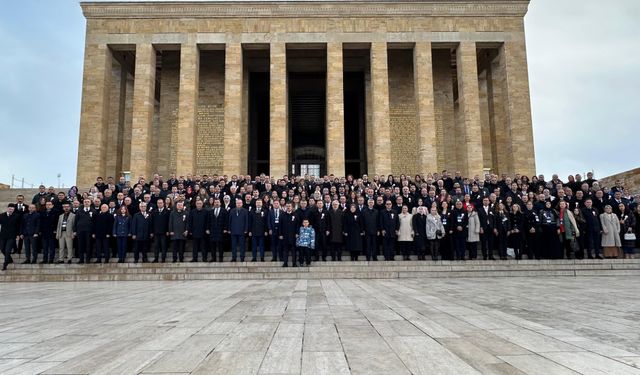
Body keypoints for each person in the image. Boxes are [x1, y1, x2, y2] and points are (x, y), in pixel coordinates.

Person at [206, 198, 227, 262]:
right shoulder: (210, 211)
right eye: (215, 202)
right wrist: (207, 229)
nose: (217, 203)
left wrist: (225, 228)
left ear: (220, 203)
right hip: (212, 231)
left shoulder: (224, 211)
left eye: (218, 202)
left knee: (220, 245)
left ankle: (221, 258)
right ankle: (213, 258)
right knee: (213, 246)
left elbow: (226, 220)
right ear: (213, 203)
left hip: (221, 230)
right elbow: (208, 221)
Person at [74, 198, 95, 264]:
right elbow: (76, 221)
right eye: (85, 202)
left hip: (89, 231)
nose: (86, 203)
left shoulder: (93, 211)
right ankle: (81, 259)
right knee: (80, 245)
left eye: (88, 202)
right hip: (80, 231)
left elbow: (95, 222)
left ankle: (88, 259)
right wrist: (75, 230)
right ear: (83, 203)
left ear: (90, 203)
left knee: (88, 245)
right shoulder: (79, 211)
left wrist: (94, 232)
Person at [1, 205, 21, 271]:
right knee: (2, 249)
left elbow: (18, 226)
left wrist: (18, 235)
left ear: (14, 209)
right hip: (3, 236)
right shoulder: (1, 215)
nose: (11, 210)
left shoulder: (17, 216)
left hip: (12, 236)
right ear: (7, 208)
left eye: (12, 209)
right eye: (10, 209)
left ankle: (5, 264)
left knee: (7, 250)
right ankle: (10, 259)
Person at [151, 198, 170, 263]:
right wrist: (152, 231)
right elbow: (152, 222)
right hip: (156, 232)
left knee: (163, 246)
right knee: (156, 246)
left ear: (163, 203)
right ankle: (156, 258)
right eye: (158, 203)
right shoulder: (154, 212)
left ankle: (163, 258)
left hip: (164, 232)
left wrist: (168, 230)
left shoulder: (167, 212)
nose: (159, 204)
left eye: (161, 203)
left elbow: (168, 222)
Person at [280, 202, 298, 267]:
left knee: (294, 251)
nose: (288, 207)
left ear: (292, 207)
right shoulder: (282, 215)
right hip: (285, 236)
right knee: (285, 251)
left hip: (293, 236)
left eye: (289, 206)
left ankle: (294, 263)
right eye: (287, 206)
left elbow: (297, 225)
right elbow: (280, 225)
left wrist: (297, 233)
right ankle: (285, 263)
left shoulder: (295, 215)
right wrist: (280, 234)